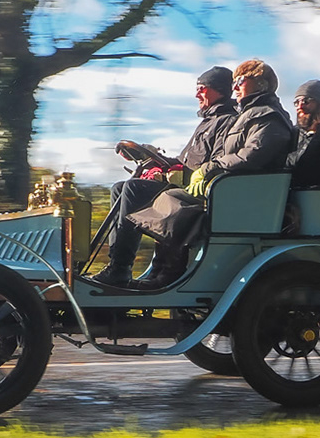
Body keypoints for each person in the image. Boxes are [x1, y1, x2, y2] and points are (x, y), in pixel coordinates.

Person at [125, 59, 294, 288]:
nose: (235, 87)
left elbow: (251, 157)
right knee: (162, 195)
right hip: (230, 187)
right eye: (234, 82)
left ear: (261, 85)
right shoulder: (248, 115)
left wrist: (207, 169)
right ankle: (153, 270)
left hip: (243, 195)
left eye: (241, 81)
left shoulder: (268, 116)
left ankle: (166, 273)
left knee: (171, 199)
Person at [91, 66, 236, 285]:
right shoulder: (207, 122)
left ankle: (120, 269)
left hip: (195, 191)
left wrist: (182, 173)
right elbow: (183, 161)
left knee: (133, 189)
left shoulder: (227, 122)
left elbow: (213, 164)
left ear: (220, 90)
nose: (197, 94)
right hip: (184, 185)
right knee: (120, 188)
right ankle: (117, 264)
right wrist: (149, 155)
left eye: (202, 89)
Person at [287, 79, 320, 166]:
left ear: (319, 105)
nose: (300, 106)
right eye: (297, 102)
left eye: (306, 101)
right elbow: (290, 164)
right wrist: (311, 135)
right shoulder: (290, 134)